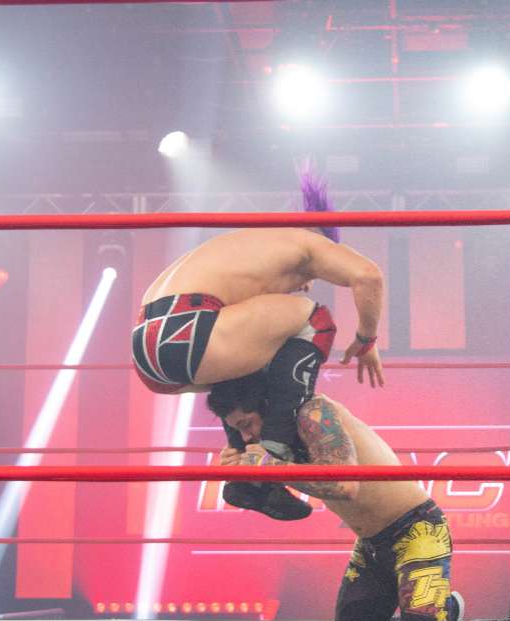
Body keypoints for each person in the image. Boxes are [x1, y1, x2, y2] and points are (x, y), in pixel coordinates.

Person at [206, 372, 510, 621]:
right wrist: (247, 478)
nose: (247, 436)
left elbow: (345, 485)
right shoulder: (280, 439)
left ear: (268, 406)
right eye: (237, 429)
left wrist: (269, 468)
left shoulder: (314, 412)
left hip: (417, 532)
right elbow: (294, 510)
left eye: (247, 424)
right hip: (372, 547)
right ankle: (436, 616)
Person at [132, 171, 385, 519]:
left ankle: (242, 462)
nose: (306, 283)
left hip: (150, 358)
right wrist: (366, 339)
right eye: (312, 276)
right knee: (316, 320)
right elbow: (368, 275)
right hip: (191, 330)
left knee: (261, 363)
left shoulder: (250, 246)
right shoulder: (308, 244)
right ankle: (274, 453)